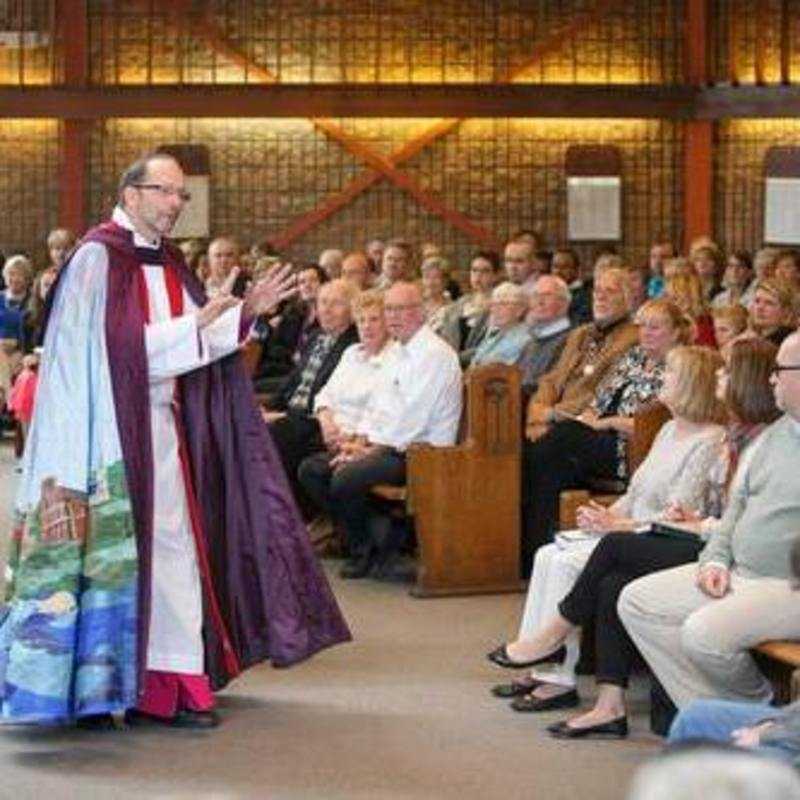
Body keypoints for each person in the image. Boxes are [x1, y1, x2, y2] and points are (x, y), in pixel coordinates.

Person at [0, 151, 350, 728]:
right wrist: (199, 324)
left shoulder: (167, 263)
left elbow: (196, 344)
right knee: (107, 559)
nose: (175, 204)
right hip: (104, 438)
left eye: (182, 196)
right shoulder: (95, 258)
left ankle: (168, 682)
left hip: (163, 432)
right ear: (131, 193)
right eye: (166, 192)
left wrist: (245, 316)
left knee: (173, 551)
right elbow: (108, 352)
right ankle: (93, 687)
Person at [492, 340, 777, 738]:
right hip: (689, 536)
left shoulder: (728, 439)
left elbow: (715, 516)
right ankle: (607, 705)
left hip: (696, 545)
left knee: (610, 551)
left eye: (725, 372)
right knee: (597, 576)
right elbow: (656, 497)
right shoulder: (678, 430)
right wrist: (610, 514)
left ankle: (552, 642)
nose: (719, 378)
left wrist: (627, 526)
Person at [619, 331, 800, 711]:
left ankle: (753, 715)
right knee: (638, 601)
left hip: (788, 586)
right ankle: (730, 716)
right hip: (740, 572)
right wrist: (716, 560)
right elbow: (735, 510)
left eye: (779, 370)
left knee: (703, 634)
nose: (771, 379)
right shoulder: (776, 434)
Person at [298, 281, 462, 579]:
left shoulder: (433, 355)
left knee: (346, 477)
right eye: (389, 310)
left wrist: (366, 450)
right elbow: (379, 407)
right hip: (390, 446)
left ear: (421, 312)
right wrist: (358, 441)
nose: (394, 317)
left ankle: (368, 551)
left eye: (402, 309)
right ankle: (378, 544)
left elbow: (412, 421)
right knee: (313, 469)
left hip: (421, 454)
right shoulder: (400, 350)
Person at [263, 279, 360, 515]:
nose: (325, 309)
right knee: (249, 422)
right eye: (322, 302)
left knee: (278, 432)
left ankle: (290, 513)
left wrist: (282, 414)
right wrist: (267, 408)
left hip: (319, 419)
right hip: (292, 415)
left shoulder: (354, 344)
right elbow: (293, 382)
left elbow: (331, 395)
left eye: (335, 304)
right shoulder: (316, 337)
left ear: (352, 309)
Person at [253, 263, 327, 393]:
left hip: (309, 374)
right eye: (302, 282)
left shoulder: (328, 316)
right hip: (287, 368)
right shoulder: (293, 313)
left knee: (253, 386)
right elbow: (275, 347)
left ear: (324, 284)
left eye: (312, 280)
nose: (307, 285)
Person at [518, 274, 573, 397]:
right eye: (536, 296)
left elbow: (551, 391)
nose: (540, 301)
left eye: (547, 295)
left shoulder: (571, 342)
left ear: (564, 303)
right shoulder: (529, 344)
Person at [439, 250, 500, 351]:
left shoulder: (499, 306)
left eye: (485, 271)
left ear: (495, 275)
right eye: (474, 270)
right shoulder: (459, 304)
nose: (478, 276)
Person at [468, 282, 531, 367]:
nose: (496, 310)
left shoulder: (525, 339)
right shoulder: (494, 336)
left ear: (519, 310)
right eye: (493, 304)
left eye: (503, 304)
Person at [665, 272, 716, 346]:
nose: (668, 303)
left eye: (674, 298)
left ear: (690, 298)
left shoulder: (705, 325)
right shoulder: (675, 321)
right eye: (667, 297)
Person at [748, 278, 796, 346]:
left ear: (786, 311)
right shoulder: (750, 337)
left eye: (769, 303)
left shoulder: (790, 342)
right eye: (757, 301)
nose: (760, 308)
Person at [552, 247, 591, 324]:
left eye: (565, 267)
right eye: (555, 266)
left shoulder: (584, 296)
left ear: (576, 270)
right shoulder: (547, 292)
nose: (558, 271)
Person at [420, 256, 452, 338]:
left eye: (436, 278)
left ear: (445, 281)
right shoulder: (414, 304)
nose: (430, 282)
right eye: (427, 277)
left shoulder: (452, 309)